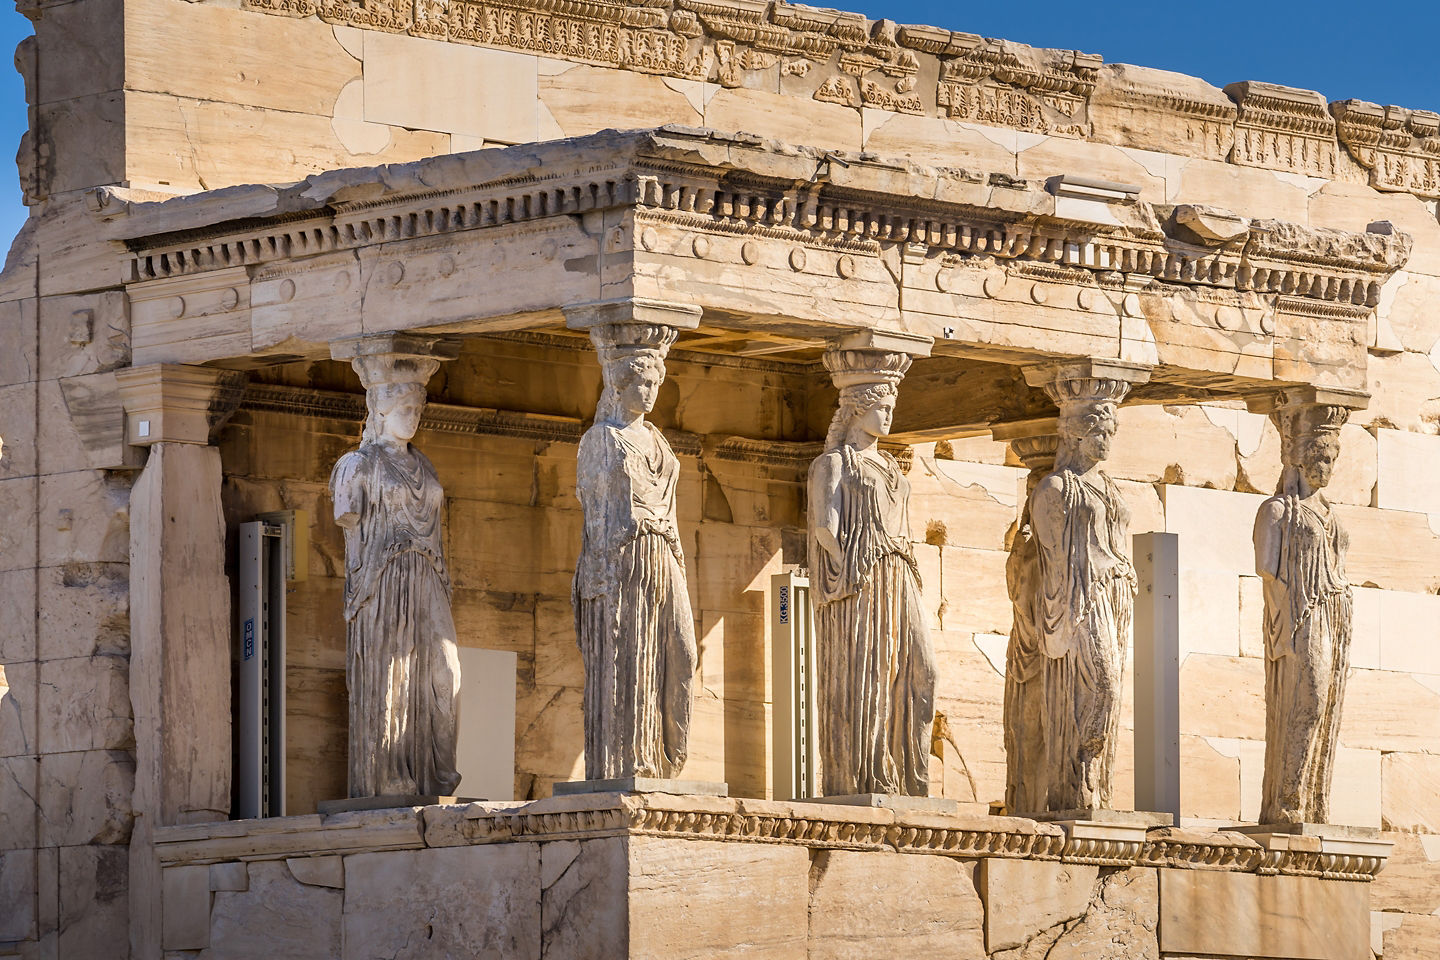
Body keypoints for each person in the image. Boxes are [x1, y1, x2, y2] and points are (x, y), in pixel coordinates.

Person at [808, 348, 935, 797]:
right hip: (863, 575)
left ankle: (910, 776)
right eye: (881, 407)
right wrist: (848, 566)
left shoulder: (892, 466)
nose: (889, 415)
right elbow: (825, 526)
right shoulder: (834, 464)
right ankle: (867, 774)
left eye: (891, 407)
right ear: (856, 410)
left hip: (901, 571)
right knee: (872, 674)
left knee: (923, 669)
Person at [331, 365, 461, 798]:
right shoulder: (357, 465)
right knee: (393, 676)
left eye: (418, 409)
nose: (413, 417)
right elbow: (349, 518)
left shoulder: (423, 464)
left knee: (445, 673)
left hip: (428, 575)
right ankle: (388, 776)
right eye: (405, 408)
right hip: (384, 580)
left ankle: (435, 773)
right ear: (381, 411)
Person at [573, 323, 696, 780]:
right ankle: (630, 761)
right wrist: (602, 579)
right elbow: (595, 513)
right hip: (623, 560)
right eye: (641, 383)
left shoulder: (659, 440)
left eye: (655, 383)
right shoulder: (601, 440)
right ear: (619, 385)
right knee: (630, 655)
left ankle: (667, 759)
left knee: (682, 651)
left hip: (664, 553)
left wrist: (675, 558)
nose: (649, 392)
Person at [1030, 383, 1134, 812]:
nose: (1107, 441)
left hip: (1116, 595)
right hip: (1081, 598)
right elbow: (1052, 559)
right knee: (1103, 684)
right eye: (1099, 432)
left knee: (1114, 690)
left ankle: (1095, 783)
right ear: (1076, 433)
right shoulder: (1055, 489)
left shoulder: (1109, 487)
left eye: (1111, 432)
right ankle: (1077, 772)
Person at [1253, 405, 1351, 824]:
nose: (1327, 467)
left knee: (1326, 706)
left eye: (1332, 458)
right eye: (1321, 457)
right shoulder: (1276, 511)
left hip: (1334, 614)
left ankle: (1313, 801)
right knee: (1307, 700)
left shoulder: (1331, 514)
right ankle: (1286, 799)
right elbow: (1268, 570)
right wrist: (1284, 628)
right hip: (1299, 617)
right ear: (1300, 458)